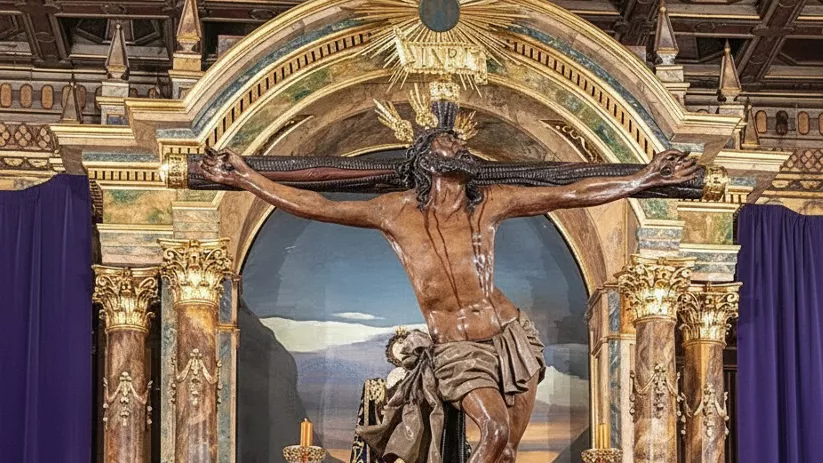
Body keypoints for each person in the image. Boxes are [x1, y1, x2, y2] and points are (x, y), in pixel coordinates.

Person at [199, 121, 698, 463]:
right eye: (446, 142)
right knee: (495, 432)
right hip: (458, 350)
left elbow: (570, 191)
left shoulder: (491, 205)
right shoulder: (395, 213)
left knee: (505, 451)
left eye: (461, 142)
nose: (459, 144)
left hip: (510, 336)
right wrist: (244, 175)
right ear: (423, 159)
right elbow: (313, 204)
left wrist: (642, 179)